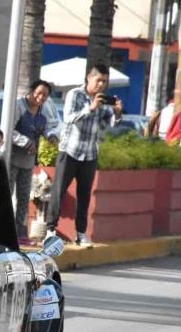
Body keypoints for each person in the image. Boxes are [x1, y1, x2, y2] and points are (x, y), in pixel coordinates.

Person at [45, 63, 123, 246]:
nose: (101, 85)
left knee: (85, 196)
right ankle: (50, 230)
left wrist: (117, 114)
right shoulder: (75, 94)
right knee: (58, 192)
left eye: (105, 81)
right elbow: (68, 118)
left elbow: (108, 125)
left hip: (90, 153)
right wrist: (91, 107)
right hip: (70, 150)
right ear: (89, 78)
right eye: (99, 80)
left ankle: (80, 234)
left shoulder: (103, 100)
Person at [10, 80, 56, 244]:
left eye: (45, 95)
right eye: (38, 93)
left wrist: (51, 136)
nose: (41, 97)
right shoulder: (18, 106)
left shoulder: (44, 110)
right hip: (12, 159)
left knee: (24, 197)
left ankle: (21, 233)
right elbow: (9, 129)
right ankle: (1, 229)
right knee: (6, 195)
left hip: (28, 162)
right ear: (31, 92)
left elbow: (47, 127)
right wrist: (26, 142)